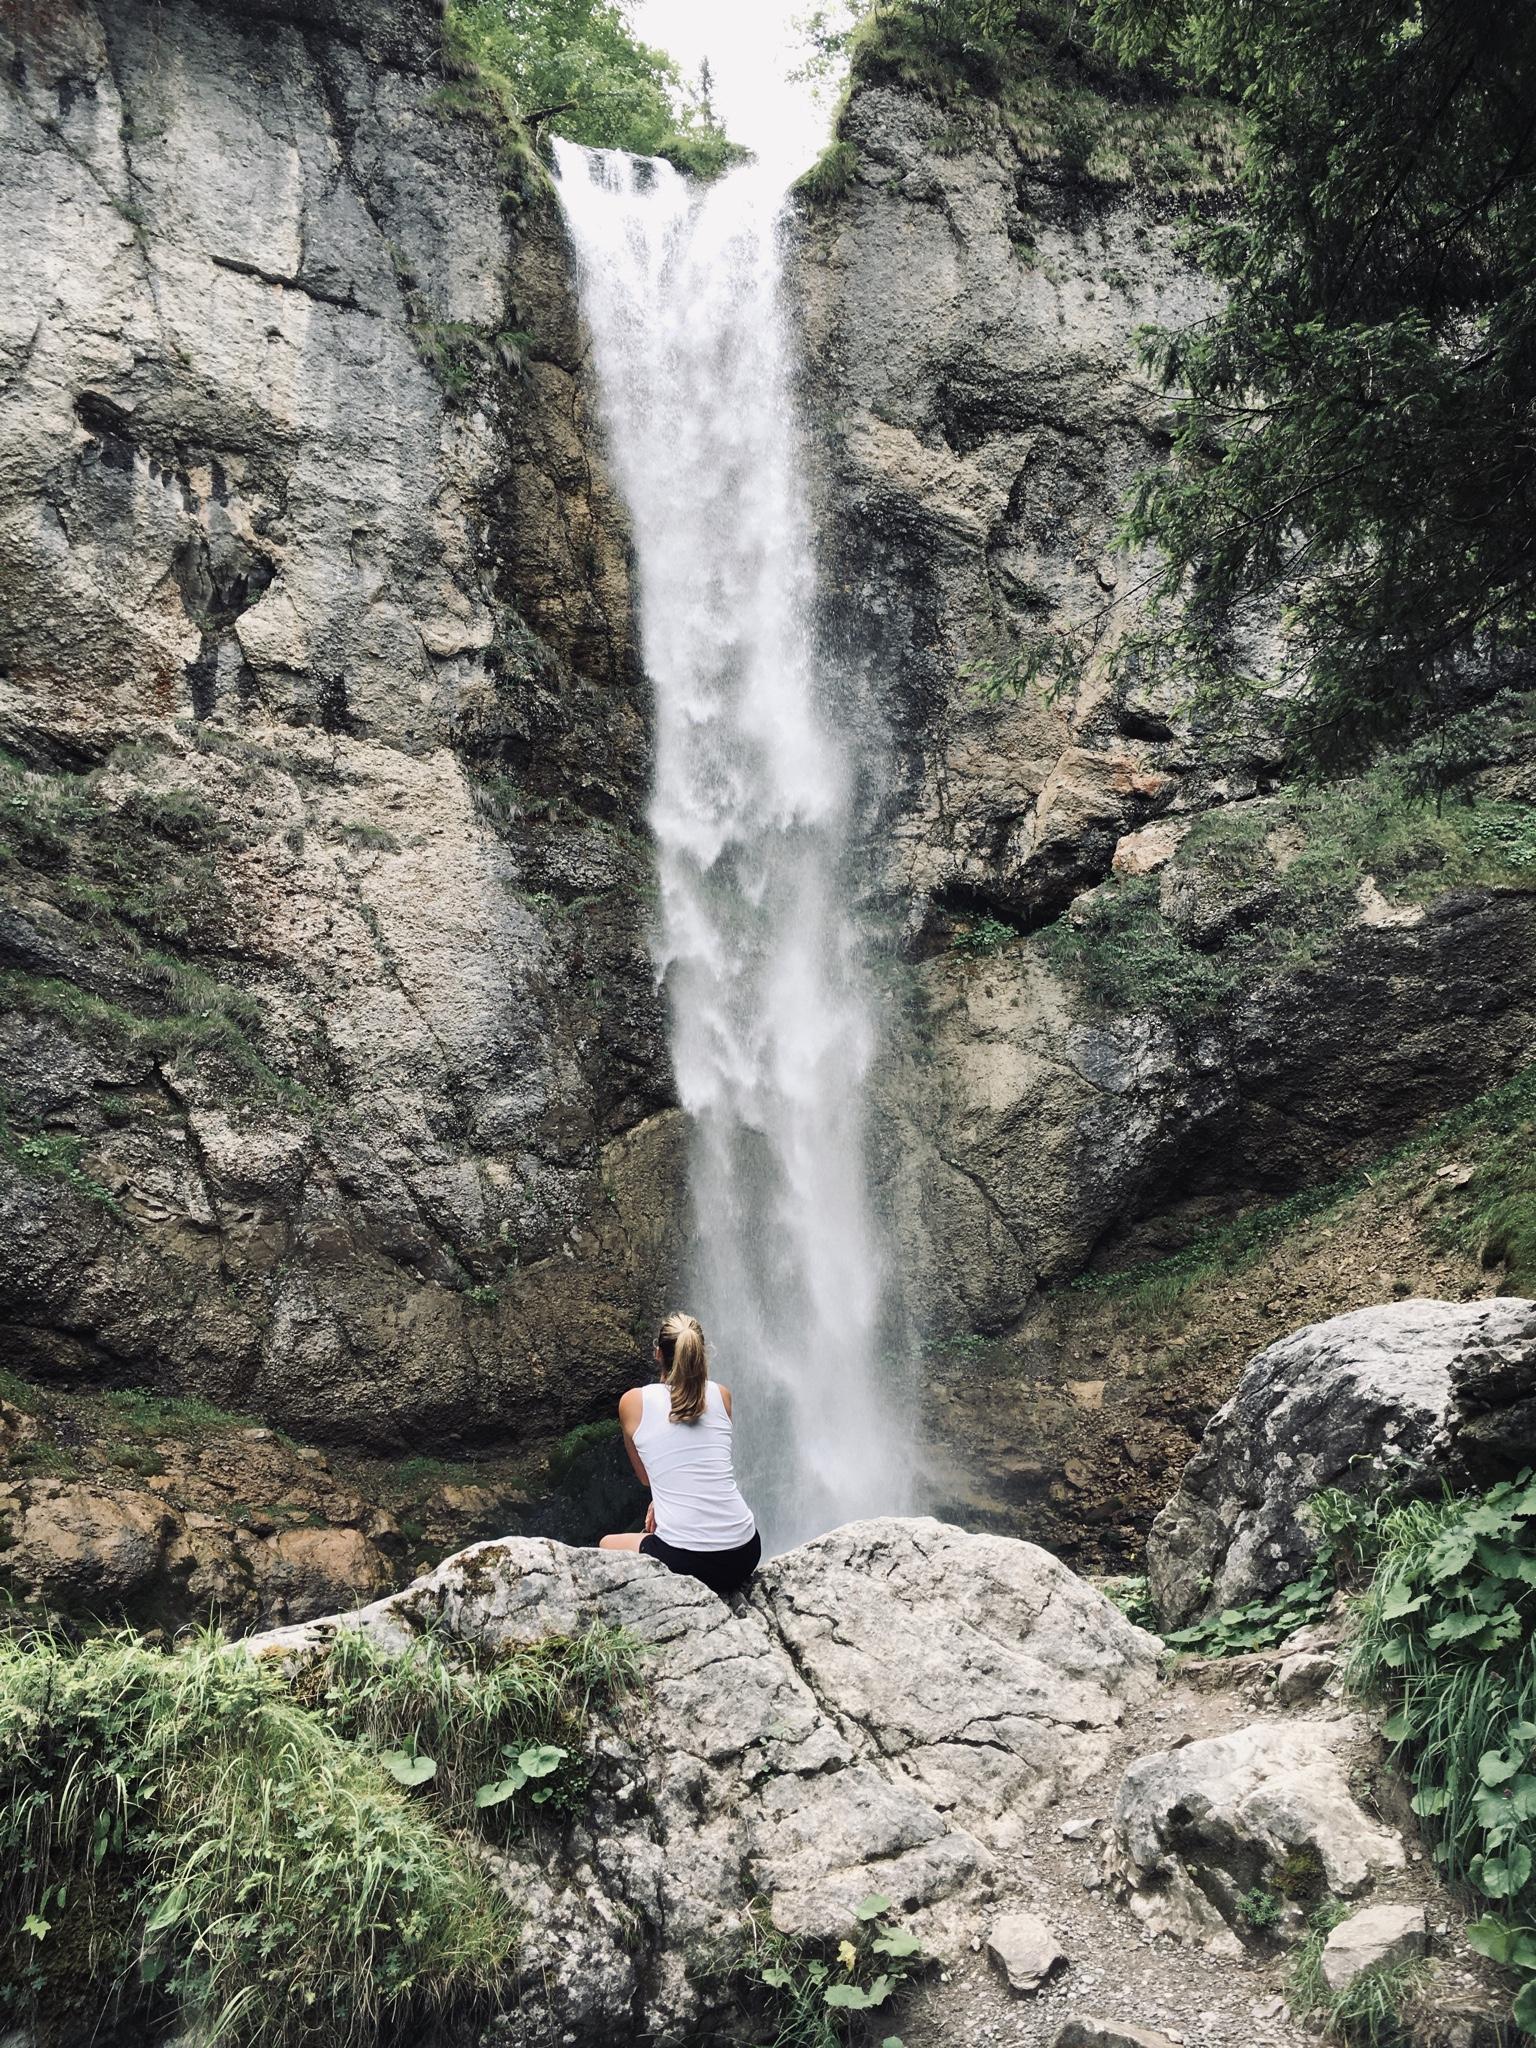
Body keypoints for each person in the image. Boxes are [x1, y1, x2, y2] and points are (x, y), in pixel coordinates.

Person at [598, 1310, 761, 1598]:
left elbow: (647, 1478)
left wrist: (661, 1501)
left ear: (658, 1353)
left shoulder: (633, 1402)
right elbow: (703, 1466)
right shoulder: (722, 1395)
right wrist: (662, 1503)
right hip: (745, 1552)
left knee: (606, 1545)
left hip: (687, 1561)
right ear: (700, 1353)